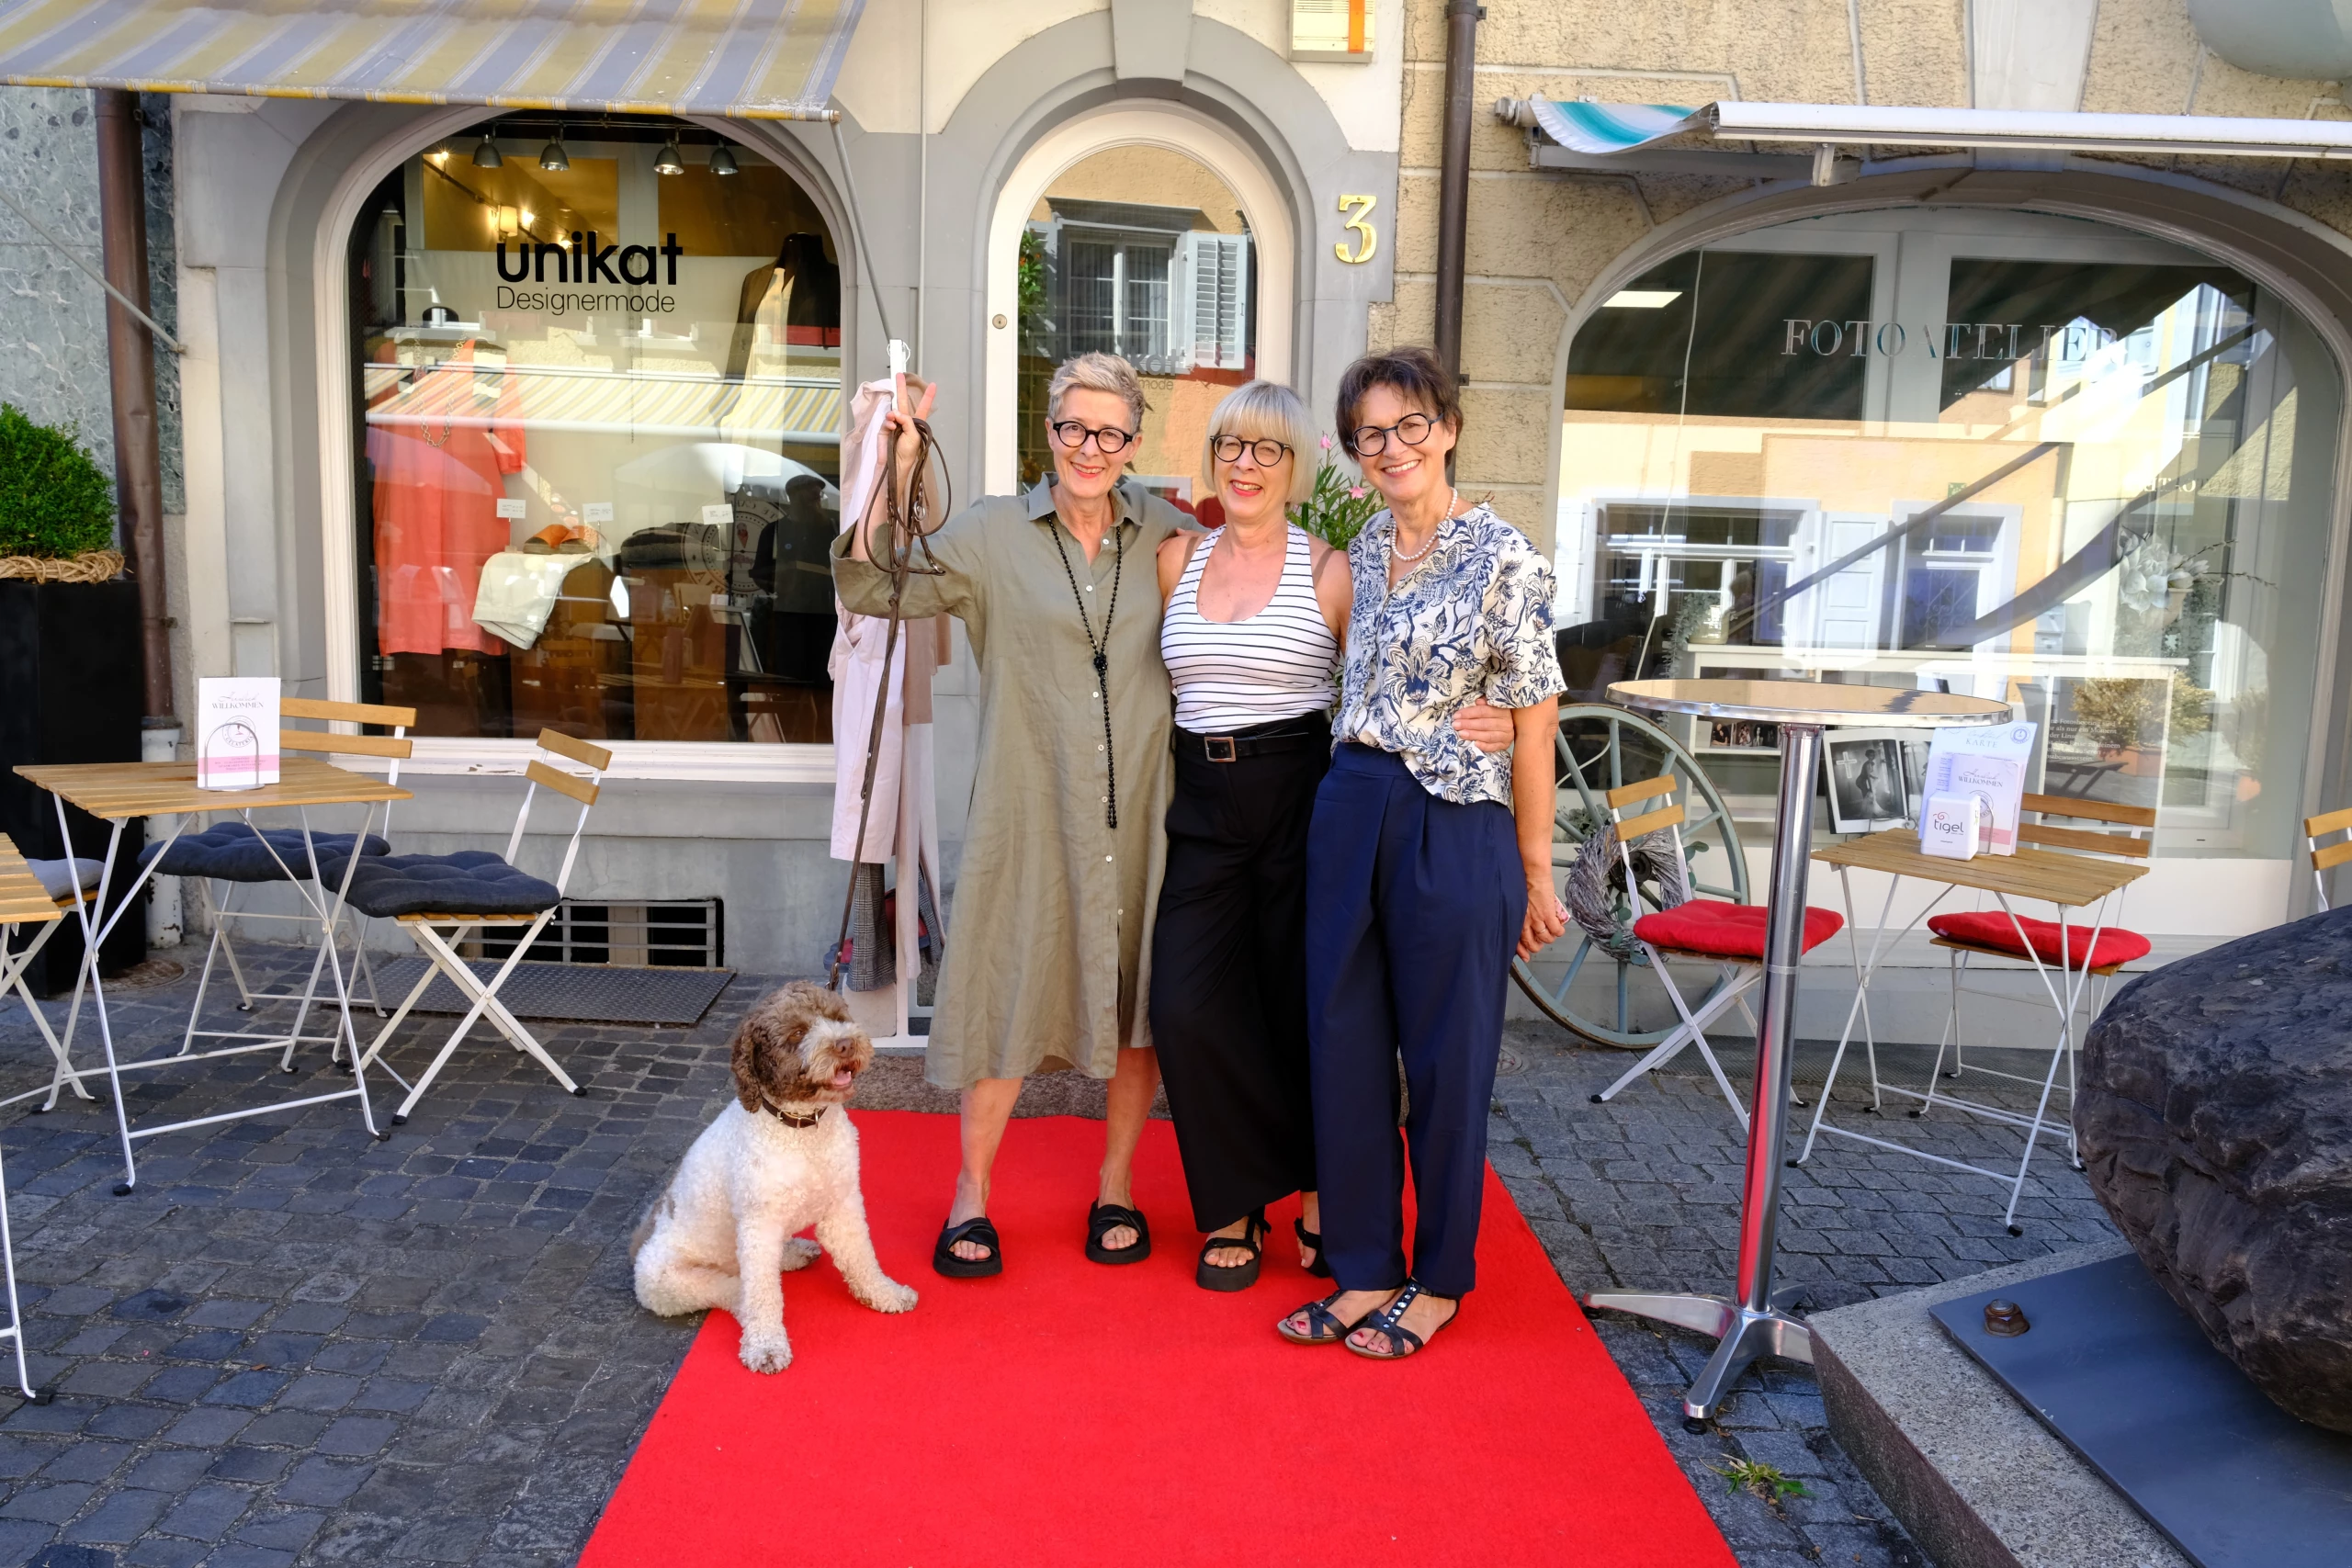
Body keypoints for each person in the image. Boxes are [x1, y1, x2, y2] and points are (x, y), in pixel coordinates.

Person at [1150, 380, 1514, 1290]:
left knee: (1308, 1009)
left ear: (1296, 466)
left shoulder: (1335, 569)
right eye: (1231, 446)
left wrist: (1501, 712)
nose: (1245, 464)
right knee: (1185, 1007)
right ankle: (1237, 1195)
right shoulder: (1174, 559)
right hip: (1201, 801)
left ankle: (1321, 1190)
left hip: (1301, 796)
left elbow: (1398, 678)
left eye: (1268, 449)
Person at [831, 352, 1186, 1277]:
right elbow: (871, 585)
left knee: (1138, 1006)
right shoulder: (991, 532)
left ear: (1134, 441)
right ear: (1048, 430)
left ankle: (1116, 1186)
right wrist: (896, 468)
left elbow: (1258, 608)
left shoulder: (1173, 537)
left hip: (1144, 818)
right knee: (1005, 992)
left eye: (1109, 433)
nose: (1089, 448)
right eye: (1073, 428)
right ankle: (971, 1194)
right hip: (1027, 812)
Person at [1279, 346, 1569, 1359]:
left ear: (1446, 428)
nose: (1392, 446)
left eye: (1410, 424)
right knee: (1343, 1045)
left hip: (1454, 818)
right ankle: (1363, 1264)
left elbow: (1536, 720)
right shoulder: (1362, 549)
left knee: (1448, 1059)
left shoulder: (1504, 555)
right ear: (1354, 449)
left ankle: (1440, 1277)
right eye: (1371, 432)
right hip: (1351, 803)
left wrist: (1536, 871)